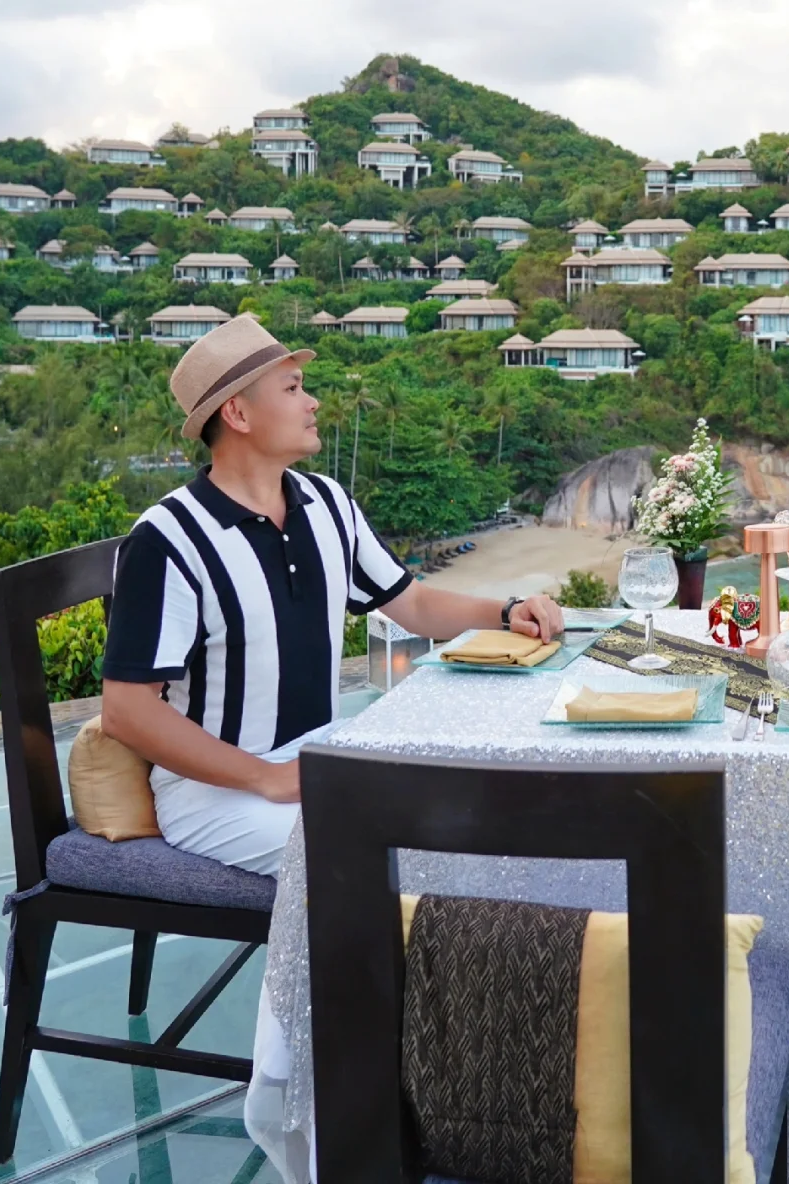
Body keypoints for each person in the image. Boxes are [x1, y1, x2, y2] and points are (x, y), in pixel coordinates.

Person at [101, 315, 563, 876]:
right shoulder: (168, 539)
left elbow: (410, 604)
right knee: (400, 859)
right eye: (293, 389)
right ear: (238, 413)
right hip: (215, 793)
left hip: (323, 751)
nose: (313, 402)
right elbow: (126, 711)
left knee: (480, 807)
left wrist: (507, 612)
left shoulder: (327, 502)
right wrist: (265, 777)